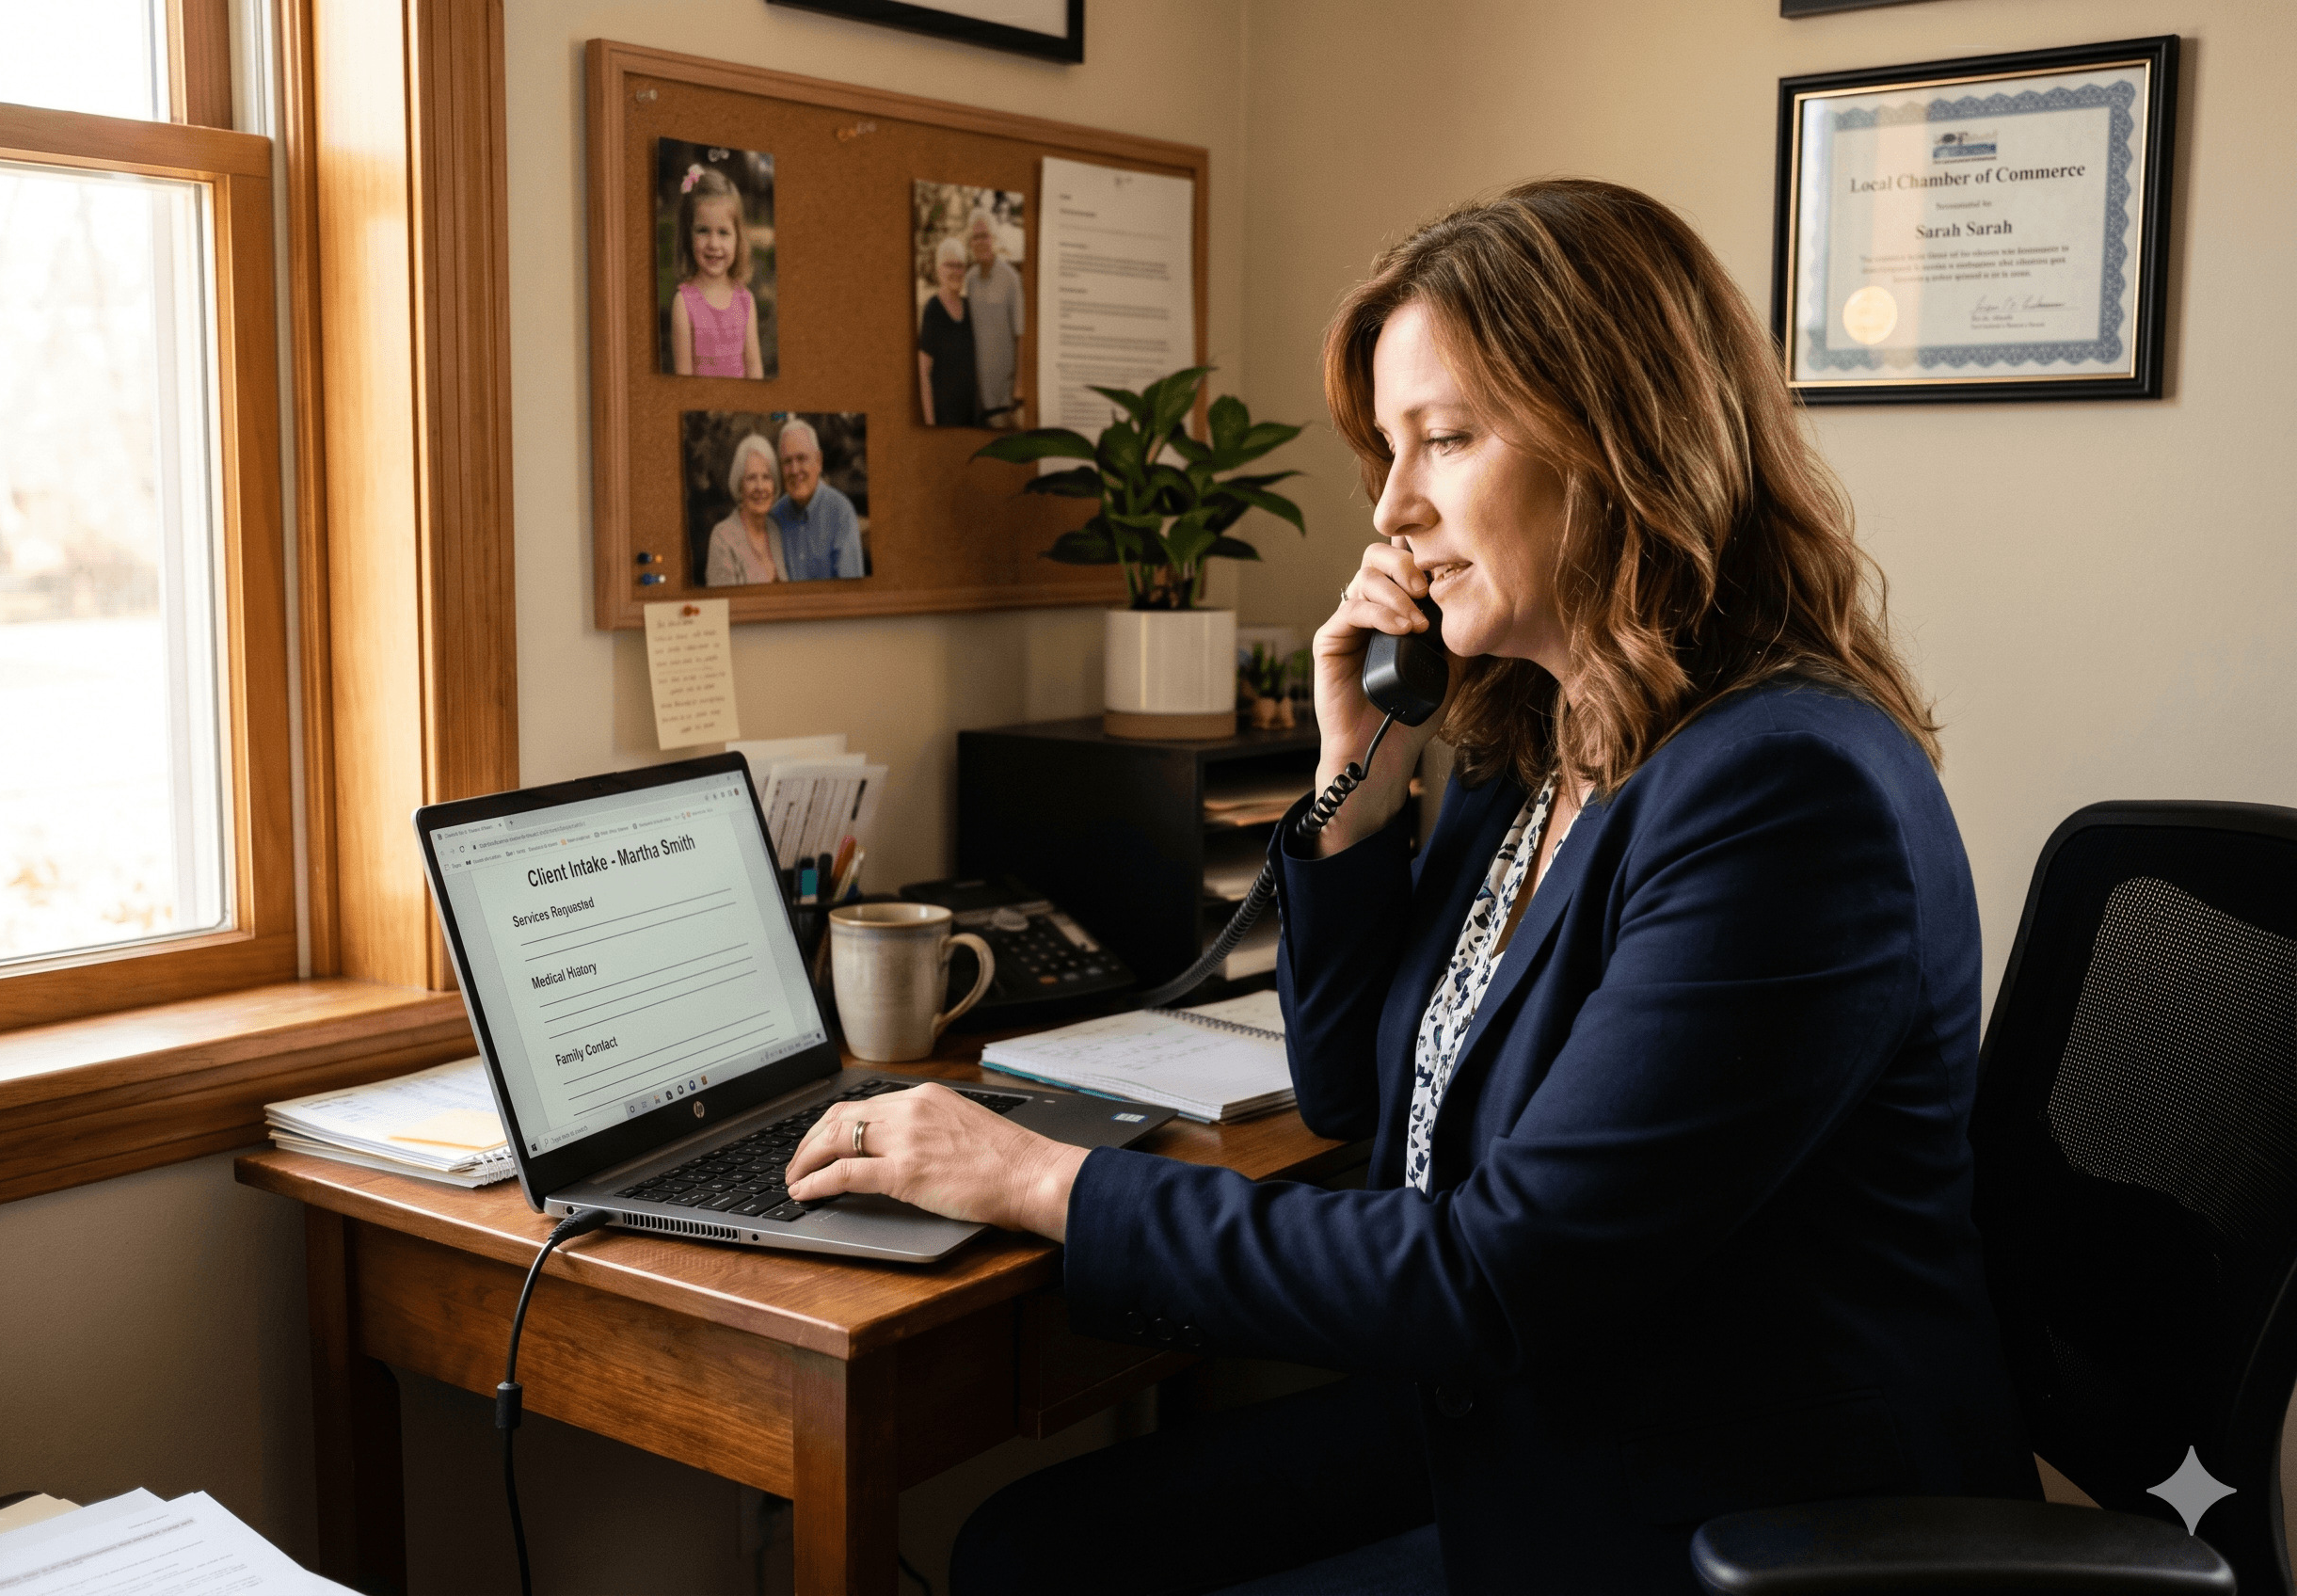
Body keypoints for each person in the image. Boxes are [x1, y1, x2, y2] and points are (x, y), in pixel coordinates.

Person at [785, 179, 2036, 1593]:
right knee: (1028, 1548)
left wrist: (1041, 1179)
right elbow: (1355, 1099)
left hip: (1719, 1503)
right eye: (1389, 448)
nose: (1391, 508)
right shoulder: (1534, 740)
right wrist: (1355, 789)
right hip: (1536, 1406)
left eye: (1445, 439)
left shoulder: (1787, 795)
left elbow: (1493, 1276)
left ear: (1624, 439)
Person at [668, 168, 763, 379]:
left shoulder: (745, 300)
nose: (713, 244)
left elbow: (755, 369)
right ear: (688, 235)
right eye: (703, 231)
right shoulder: (683, 303)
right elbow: (683, 382)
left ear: (738, 238)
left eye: (723, 232)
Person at [770, 419, 867, 581]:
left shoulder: (841, 513)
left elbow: (849, 594)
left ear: (819, 461)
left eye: (801, 458)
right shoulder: (775, 517)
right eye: (787, 461)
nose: (794, 470)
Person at [964, 207, 1024, 427]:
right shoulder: (969, 280)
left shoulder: (1011, 279)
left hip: (1004, 396)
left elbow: (1021, 335)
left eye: (984, 235)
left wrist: (1019, 386)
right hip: (978, 394)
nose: (980, 241)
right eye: (975, 237)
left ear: (994, 238)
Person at [701, 433, 786, 586]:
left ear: (774, 485)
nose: (760, 487)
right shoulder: (722, 538)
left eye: (766, 477)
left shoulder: (776, 531)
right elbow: (724, 606)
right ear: (740, 487)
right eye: (751, 478)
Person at [918, 235, 981, 426]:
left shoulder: (970, 308)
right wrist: (930, 424)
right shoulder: (933, 310)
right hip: (946, 419)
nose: (955, 271)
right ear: (938, 270)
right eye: (949, 265)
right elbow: (923, 373)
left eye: (959, 265)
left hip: (973, 416)